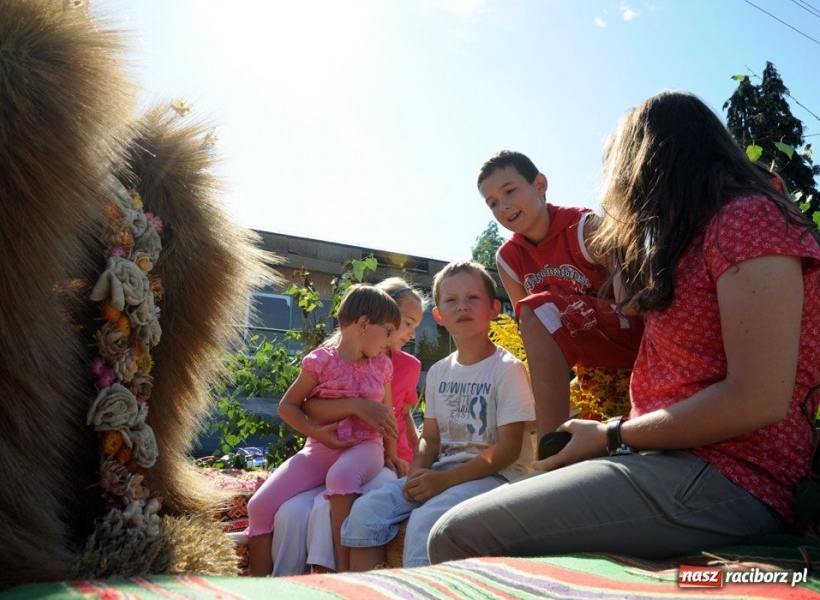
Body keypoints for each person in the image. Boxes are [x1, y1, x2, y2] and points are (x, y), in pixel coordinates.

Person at [428, 90, 820, 563]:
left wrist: (614, 435)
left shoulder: (747, 219)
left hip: (727, 472)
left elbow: (758, 397)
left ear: (654, 161)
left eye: (621, 166)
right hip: (669, 457)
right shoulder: (697, 235)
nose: (619, 186)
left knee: (455, 533)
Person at [340, 260, 537, 569]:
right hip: (444, 471)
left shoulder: (507, 369)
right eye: (451, 300)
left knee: (425, 520)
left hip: (497, 477)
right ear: (439, 316)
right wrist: (417, 474)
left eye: (473, 298)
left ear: (494, 308)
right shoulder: (439, 372)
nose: (462, 307)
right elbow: (430, 439)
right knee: (365, 511)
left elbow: (508, 450)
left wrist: (443, 482)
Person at [478, 150, 645, 435]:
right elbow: (533, 331)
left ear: (540, 185)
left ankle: (548, 445)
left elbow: (632, 304)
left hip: (630, 339)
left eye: (509, 191)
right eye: (492, 203)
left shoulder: (584, 227)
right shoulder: (508, 258)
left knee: (537, 309)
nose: (503, 206)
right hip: (586, 365)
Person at [246, 284, 407, 575]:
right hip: (318, 449)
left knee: (341, 475)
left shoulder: (381, 366)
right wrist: (316, 434)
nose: (391, 339)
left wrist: (391, 454)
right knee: (259, 505)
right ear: (363, 324)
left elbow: (388, 414)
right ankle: (259, 587)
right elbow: (288, 406)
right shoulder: (321, 361)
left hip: (364, 447)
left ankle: (343, 573)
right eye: (388, 330)